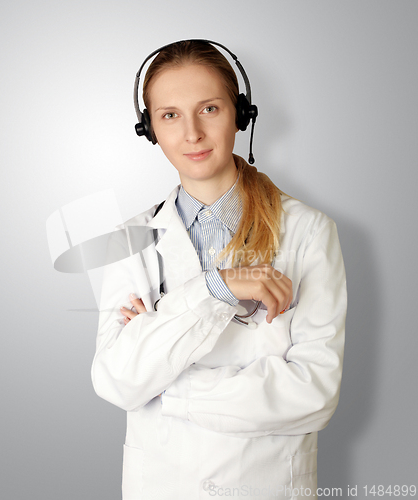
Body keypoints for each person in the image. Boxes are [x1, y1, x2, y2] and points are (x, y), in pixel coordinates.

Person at [91, 40, 346, 500]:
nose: (192, 133)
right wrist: (217, 287)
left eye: (208, 108)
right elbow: (117, 380)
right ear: (149, 128)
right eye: (170, 115)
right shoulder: (129, 240)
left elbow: (314, 393)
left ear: (240, 115)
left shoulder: (308, 231)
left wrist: (171, 385)